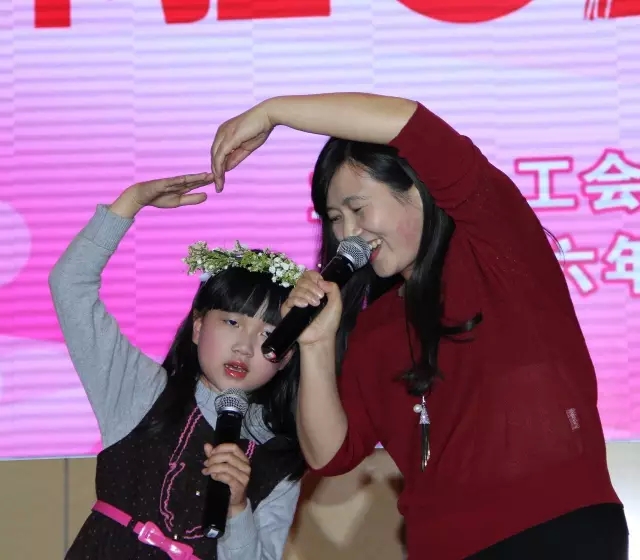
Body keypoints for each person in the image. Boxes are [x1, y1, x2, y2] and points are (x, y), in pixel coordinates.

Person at [209, 94, 629, 559]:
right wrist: (317, 342)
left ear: (416, 189)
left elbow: (416, 127)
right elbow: (330, 455)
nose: (348, 234)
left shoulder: (495, 251)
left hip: (555, 529)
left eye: (359, 209)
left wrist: (273, 112)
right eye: (335, 219)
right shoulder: (374, 328)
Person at [49, 173, 306, 560]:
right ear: (198, 326)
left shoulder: (282, 458)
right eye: (231, 322)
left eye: (269, 334)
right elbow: (70, 286)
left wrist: (237, 510)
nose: (244, 346)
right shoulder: (143, 391)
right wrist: (131, 201)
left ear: (286, 356)